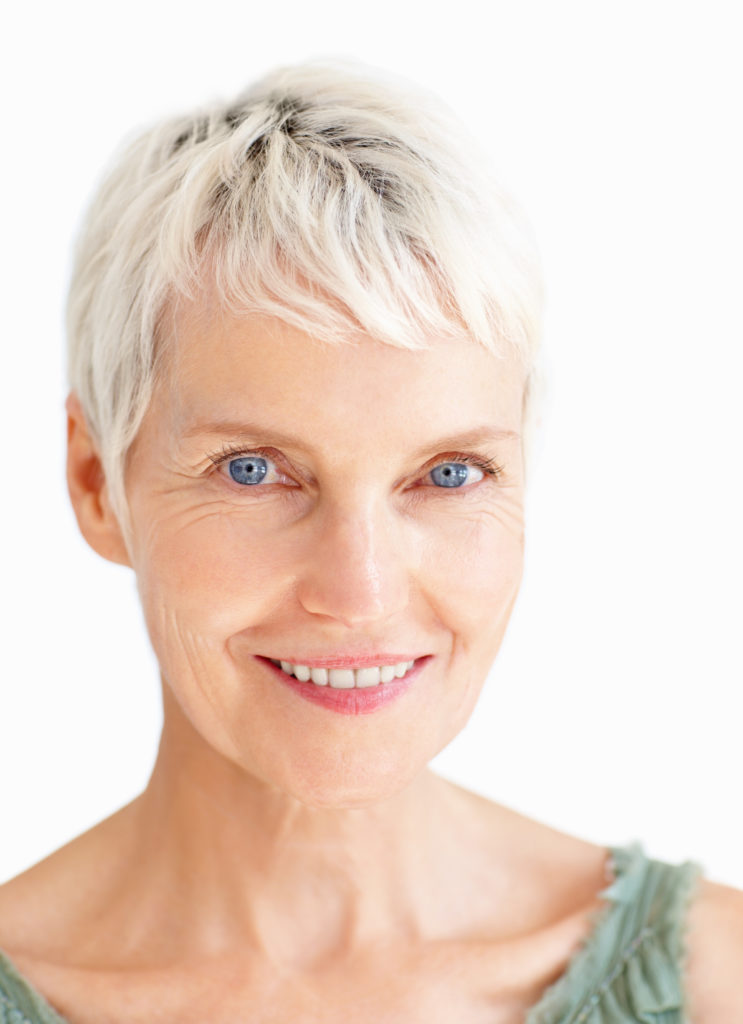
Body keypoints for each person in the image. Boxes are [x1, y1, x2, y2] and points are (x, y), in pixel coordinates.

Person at [0, 61, 740, 1024]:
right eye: (253, 471)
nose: (361, 591)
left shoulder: (721, 980)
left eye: (446, 475)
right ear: (98, 484)